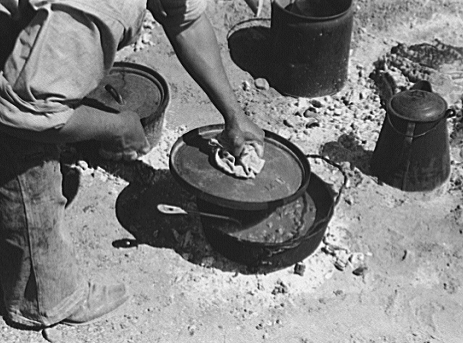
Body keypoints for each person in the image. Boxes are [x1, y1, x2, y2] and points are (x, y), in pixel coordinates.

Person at [0, 0, 264, 329]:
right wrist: (116, 127)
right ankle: (44, 298)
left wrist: (234, 115)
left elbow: (184, 20)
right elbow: (23, 114)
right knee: (25, 154)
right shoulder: (100, 10)